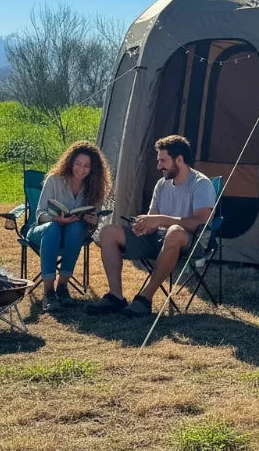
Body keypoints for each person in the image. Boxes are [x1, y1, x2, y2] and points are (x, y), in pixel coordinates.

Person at [86, 135, 216, 318]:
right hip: (157, 239)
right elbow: (153, 218)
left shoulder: (201, 184)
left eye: (163, 161)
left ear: (179, 159)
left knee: (174, 232)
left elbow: (199, 223)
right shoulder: (162, 185)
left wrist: (161, 220)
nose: (158, 166)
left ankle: (145, 299)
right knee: (108, 232)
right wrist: (143, 225)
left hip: (191, 243)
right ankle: (116, 297)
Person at [30, 140, 113, 312]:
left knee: (76, 228)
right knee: (53, 229)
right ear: (70, 162)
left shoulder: (94, 187)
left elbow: (94, 220)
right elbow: (40, 214)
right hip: (44, 231)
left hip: (72, 234)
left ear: (93, 168)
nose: (81, 169)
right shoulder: (54, 180)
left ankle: (62, 286)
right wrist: (56, 220)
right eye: (78, 164)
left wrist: (93, 220)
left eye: (87, 166)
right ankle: (48, 291)